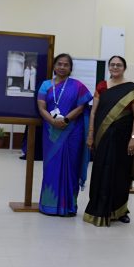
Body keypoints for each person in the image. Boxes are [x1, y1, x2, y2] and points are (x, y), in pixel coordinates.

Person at [84, 56, 134, 227]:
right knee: (100, 171)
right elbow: (93, 112)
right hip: (102, 137)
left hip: (123, 139)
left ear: (124, 68)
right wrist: (91, 134)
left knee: (120, 173)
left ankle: (120, 210)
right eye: (112, 64)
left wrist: (133, 138)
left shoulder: (132, 90)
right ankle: (97, 207)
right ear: (109, 67)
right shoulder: (102, 86)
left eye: (118, 65)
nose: (115, 67)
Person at [37, 53, 92, 216]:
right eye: (59, 64)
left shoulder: (78, 86)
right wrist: (53, 121)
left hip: (72, 132)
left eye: (66, 65)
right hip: (51, 132)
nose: (62, 67)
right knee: (51, 166)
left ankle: (68, 205)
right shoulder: (45, 85)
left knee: (71, 167)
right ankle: (49, 205)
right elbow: (41, 107)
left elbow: (82, 107)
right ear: (54, 66)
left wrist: (66, 119)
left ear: (70, 68)